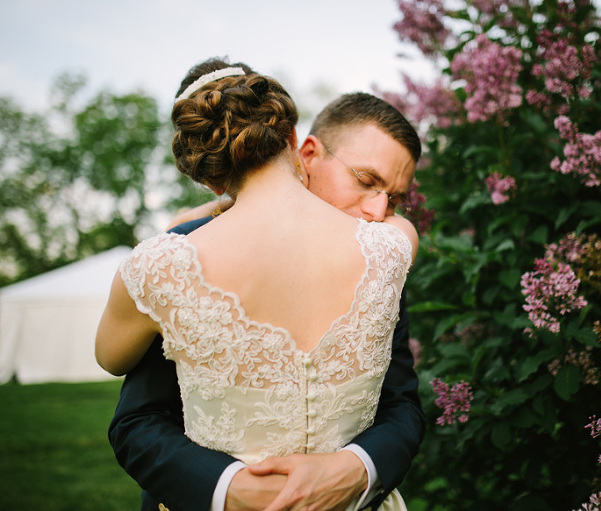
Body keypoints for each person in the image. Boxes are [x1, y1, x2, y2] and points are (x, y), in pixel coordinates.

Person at [98, 58, 425, 511]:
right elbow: (140, 420)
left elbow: (401, 405)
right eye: (365, 180)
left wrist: (357, 467)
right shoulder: (180, 257)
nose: (378, 209)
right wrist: (228, 488)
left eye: (395, 198)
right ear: (302, 149)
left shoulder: (381, 259)